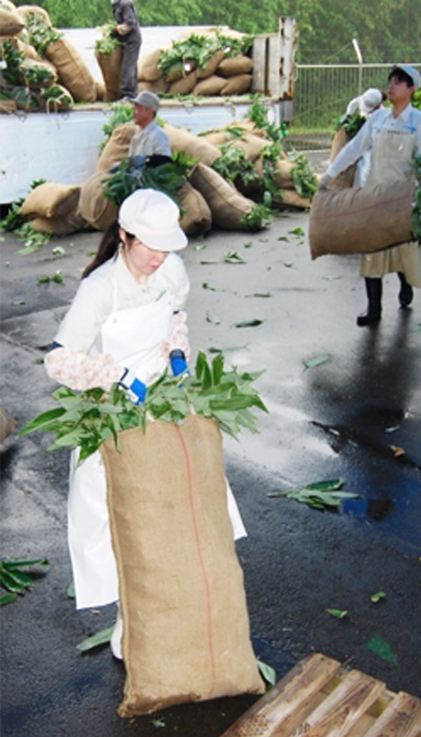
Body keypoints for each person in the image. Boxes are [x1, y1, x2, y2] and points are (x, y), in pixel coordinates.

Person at [44, 189, 247, 659]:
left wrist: (177, 353)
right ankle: (129, 620)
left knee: (178, 508)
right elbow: (58, 361)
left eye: (167, 247)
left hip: (162, 402)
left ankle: (179, 609)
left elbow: (176, 314)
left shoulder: (169, 269)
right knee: (121, 519)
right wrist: (115, 375)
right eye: (150, 247)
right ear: (124, 236)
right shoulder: (100, 288)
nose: (160, 257)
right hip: (115, 414)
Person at [318, 65, 421, 326]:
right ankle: (373, 309)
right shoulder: (378, 119)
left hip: (402, 197)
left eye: (399, 82)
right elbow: (355, 148)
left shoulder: (418, 121)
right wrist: (329, 175)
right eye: (391, 81)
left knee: (400, 250)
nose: (392, 85)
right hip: (375, 194)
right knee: (371, 251)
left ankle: (405, 283)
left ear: (411, 89)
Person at [127, 90, 172, 167]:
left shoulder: (157, 134)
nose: (134, 112)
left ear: (149, 111)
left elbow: (166, 162)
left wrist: (146, 160)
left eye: (138, 109)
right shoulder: (137, 134)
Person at [111, 0, 141, 99]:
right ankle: (133, 92)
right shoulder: (117, 5)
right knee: (131, 66)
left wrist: (117, 30)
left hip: (132, 40)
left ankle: (128, 94)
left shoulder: (125, 3)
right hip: (126, 40)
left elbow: (130, 22)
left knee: (128, 67)